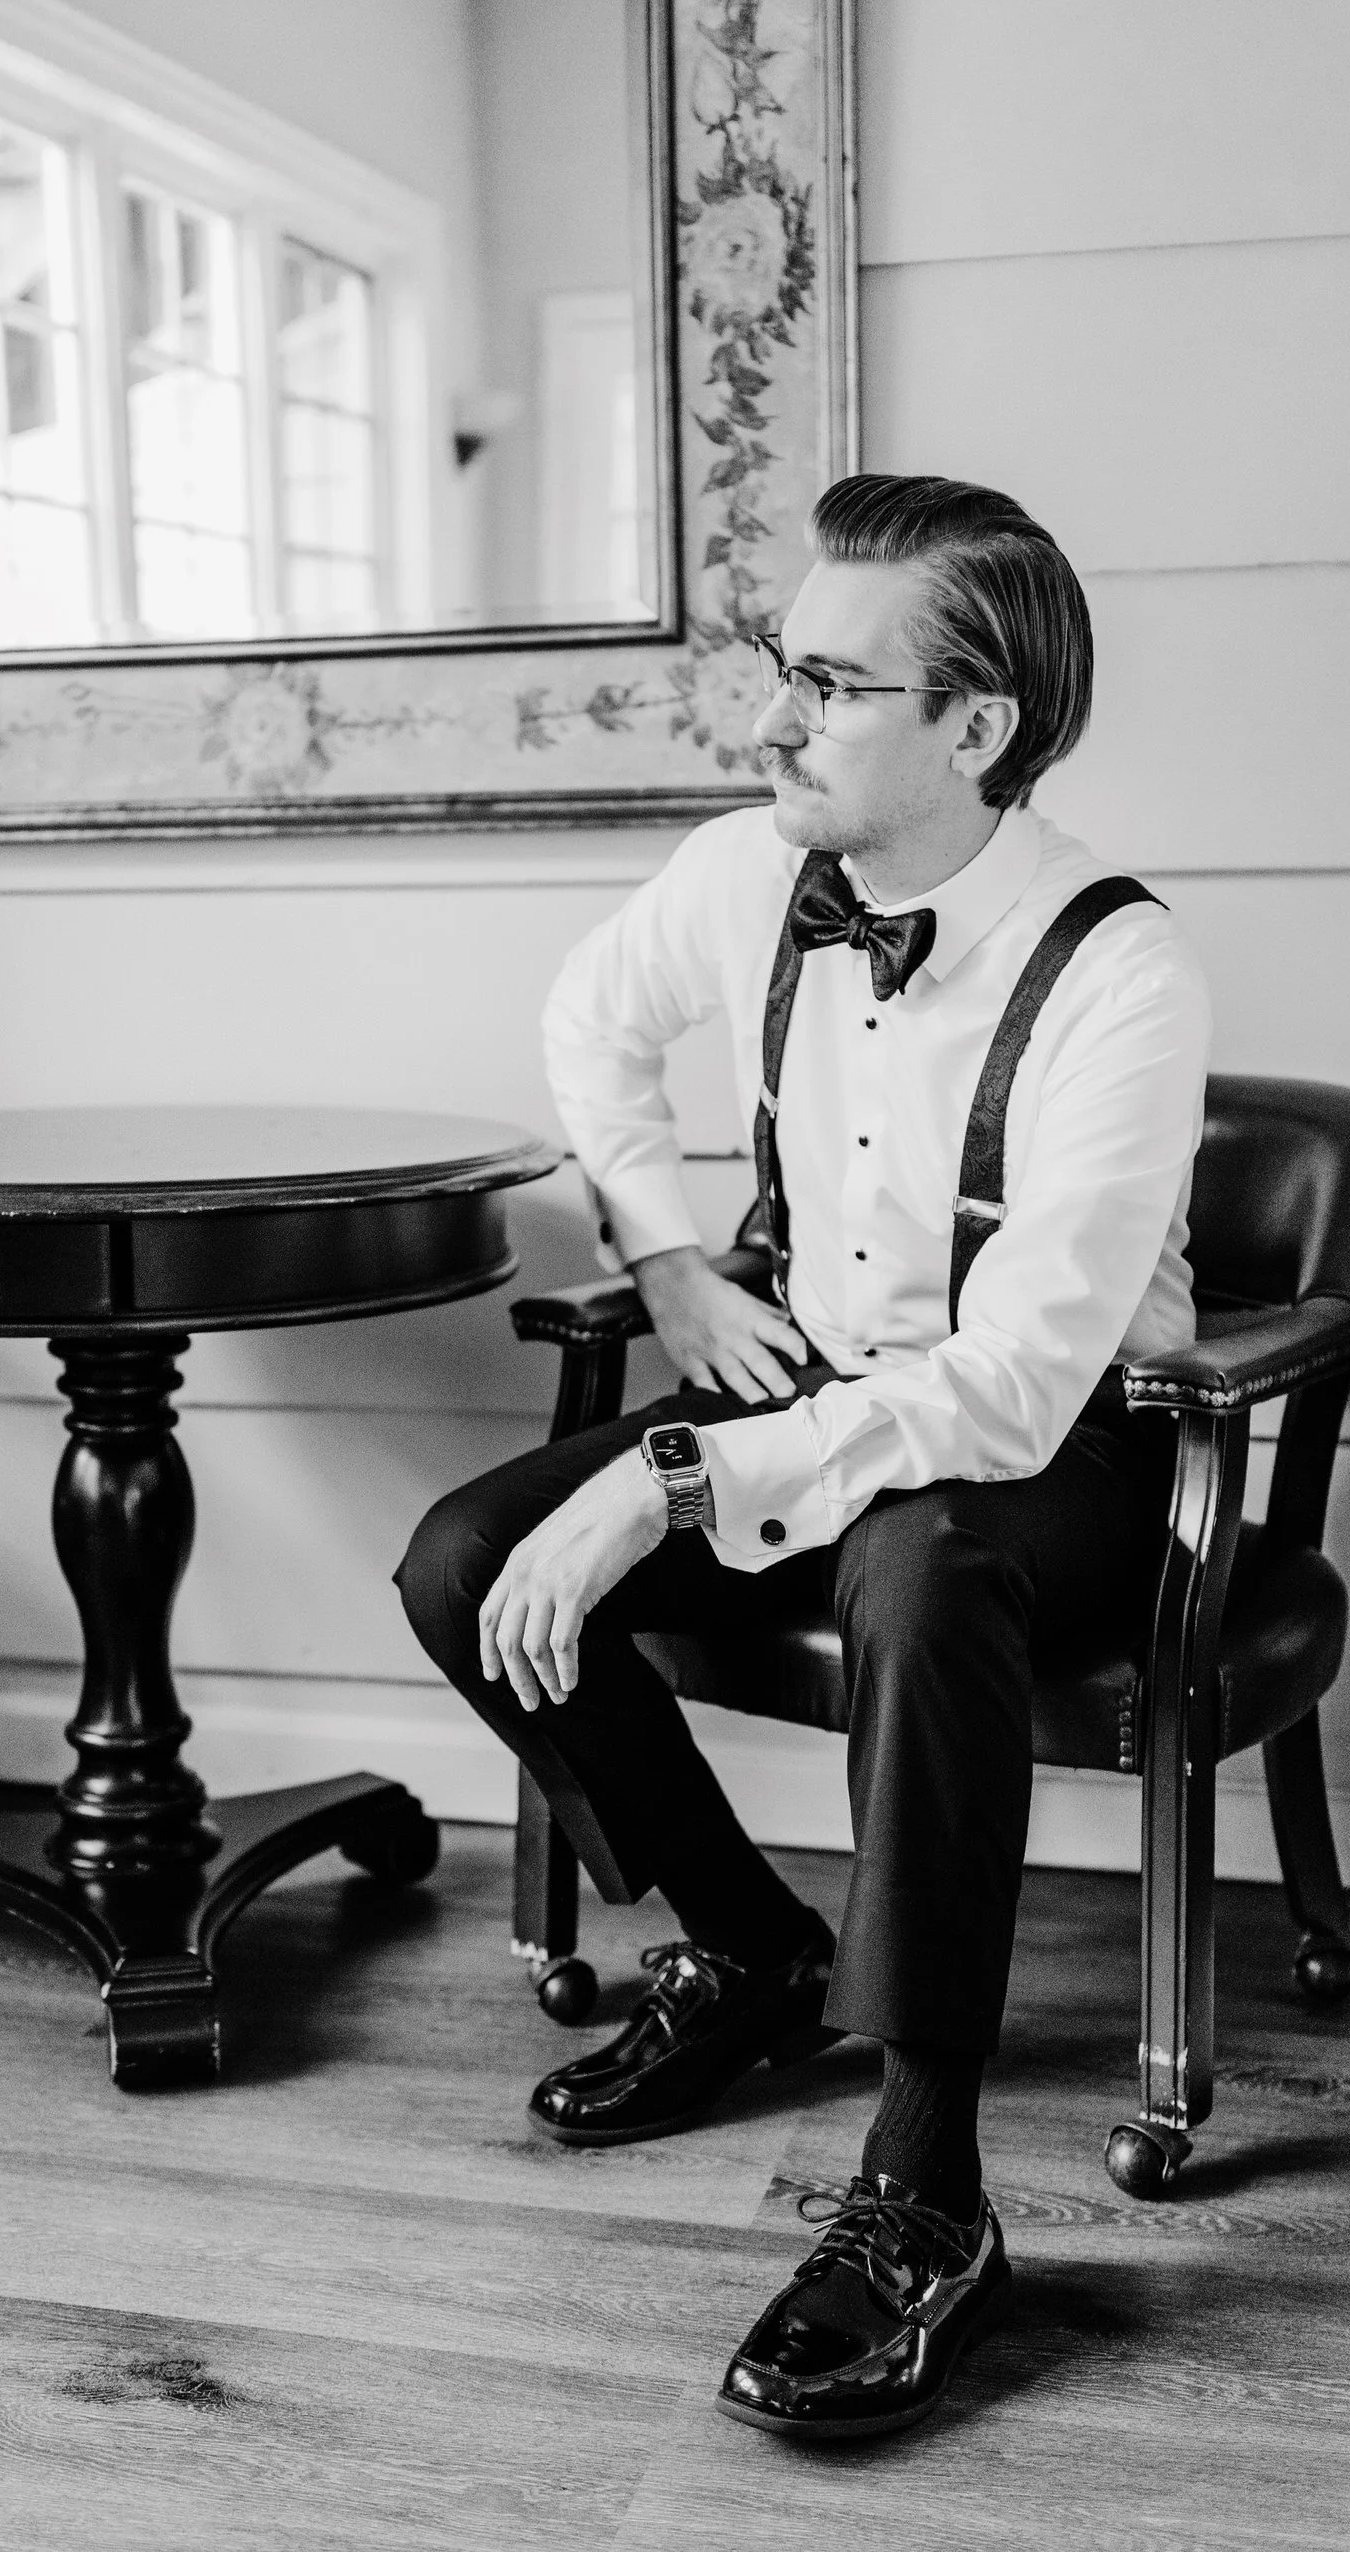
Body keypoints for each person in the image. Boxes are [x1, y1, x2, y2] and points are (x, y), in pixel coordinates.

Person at [395, 473, 1212, 2441]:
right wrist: (669, 1265)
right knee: (462, 1565)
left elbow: (1013, 1392)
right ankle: (754, 1950)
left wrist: (672, 1480)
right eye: (788, 666)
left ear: (976, 726)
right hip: (808, 1396)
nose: (774, 718)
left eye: (831, 682)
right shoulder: (758, 872)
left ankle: (924, 2192)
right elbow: (592, 1017)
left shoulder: (1121, 973)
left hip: (1065, 1455)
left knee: (928, 1576)